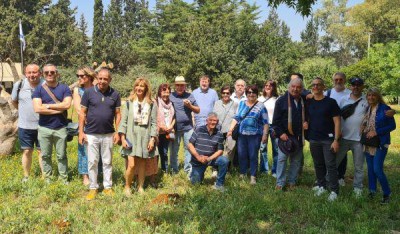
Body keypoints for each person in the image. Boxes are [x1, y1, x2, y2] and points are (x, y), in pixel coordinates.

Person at [79, 68, 121, 200]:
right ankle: (93, 187)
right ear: (97, 78)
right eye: (100, 78)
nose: (102, 81)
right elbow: (82, 113)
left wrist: (117, 132)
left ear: (110, 80)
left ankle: (108, 187)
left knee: (108, 161)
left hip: (108, 134)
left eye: (106, 79)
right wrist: (81, 132)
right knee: (92, 161)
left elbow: (118, 115)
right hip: (91, 133)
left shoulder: (115, 94)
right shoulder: (88, 92)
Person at [32, 64, 72, 184]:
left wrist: (47, 106)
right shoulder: (38, 89)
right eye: (47, 72)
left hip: (61, 128)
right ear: (43, 74)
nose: (49, 74)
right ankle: (48, 179)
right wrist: (58, 109)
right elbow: (38, 109)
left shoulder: (64, 88)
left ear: (57, 73)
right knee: (45, 155)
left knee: (62, 156)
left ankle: (63, 178)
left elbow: (67, 105)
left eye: (52, 72)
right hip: (44, 128)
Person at [119, 78, 159, 195]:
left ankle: (140, 187)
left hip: (145, 137)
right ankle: (127, 186)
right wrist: (122, 138)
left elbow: (153, 123)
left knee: (142, 164)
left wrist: (152, 139)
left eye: (142, 86)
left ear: (146, 88)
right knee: (131, 164)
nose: (139, 88)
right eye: (137, 86)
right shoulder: (128, 103)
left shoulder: (151, 104)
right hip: (131, 137)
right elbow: (123, 122)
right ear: (134, 87)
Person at [305, 78, 341, 201]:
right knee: (318, 164)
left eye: (318, 85)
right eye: (313, 85)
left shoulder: (331, 102)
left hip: (328, 139)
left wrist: (336, 140)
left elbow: (337, 122)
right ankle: (321, 186)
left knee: (330, 165)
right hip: (314, 138)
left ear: (323, 87)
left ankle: (334, 191)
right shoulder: (309, 102)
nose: (315, 87)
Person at [228, 85, 269, 185]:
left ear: (257, 94)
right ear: (246, 94)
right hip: (242, 134)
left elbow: (266, 122)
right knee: (242, 154)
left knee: (253, 155)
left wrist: (265, 135)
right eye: (249, 92)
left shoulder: (261, 106)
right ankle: (242, 173)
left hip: (255, 135)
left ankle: (253, 176)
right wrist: (230, 129)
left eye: (253, 92)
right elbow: (236, 117)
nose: (251, 94)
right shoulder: (242, 103)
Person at [362, 88, 396, 204]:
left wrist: (377, 131)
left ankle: (387, 193)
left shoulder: (384, 109)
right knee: (370, 169)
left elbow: (392, 126)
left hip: (381, 143)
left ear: (378, 96)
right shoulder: (368, 108)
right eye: (369, 95)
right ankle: (372, 191)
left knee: (377, 169)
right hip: (369, 143)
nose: (371, 97)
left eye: (374, 95)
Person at [336, 77, 369, 197]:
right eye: (353, 85)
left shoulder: (367, 99)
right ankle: (330, 183)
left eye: (358, 85)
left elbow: (378, 109)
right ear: (350, 86)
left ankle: (358, 187)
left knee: (359, 166)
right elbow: (336, 117)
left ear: (362, 86)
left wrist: (389, 112)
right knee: (335, 162)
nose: (356, 87)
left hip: (359, 139)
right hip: (343, 137)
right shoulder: (343, 99)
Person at [11, 64, 44, 182]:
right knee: (26, 151)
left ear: (39, 73)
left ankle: (44, 176)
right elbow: (14, 101)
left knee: (42, 152)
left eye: (34, 72)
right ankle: (26, 176)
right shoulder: (18, 85)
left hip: (43, 126)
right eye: (29, 72)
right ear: (26, 73)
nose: (32, 75)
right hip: (25, 126)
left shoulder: (45, 85)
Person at [272, 78, 305, 190]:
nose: (295, 89)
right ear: (289, 87)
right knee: (282, 160)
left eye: (298, 87)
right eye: (293, 87)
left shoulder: (303, 100)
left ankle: (292, 181)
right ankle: (280, 183)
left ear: (301, 89)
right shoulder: (281, 101)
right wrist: (281, 134)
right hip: (285, 137)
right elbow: (275, 122)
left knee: (296, 161)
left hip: (299, 136)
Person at [189, 112, 229, 191]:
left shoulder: (219, 134)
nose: (213, 122)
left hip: (211, 159)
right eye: (211, 120)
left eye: (215, 121)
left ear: (217, 122)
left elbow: (220, 150)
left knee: (224, 160)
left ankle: (219, 185)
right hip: (198, 159)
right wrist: (198, 157)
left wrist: (209, 158)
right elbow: (190, 145)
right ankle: (194, 173)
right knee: (195, 183)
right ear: (207, 121)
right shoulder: (199, 129)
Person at [324, 72, 351, 186]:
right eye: (336, 79)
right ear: (333, 80)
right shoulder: (328, 93)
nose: (338, 81)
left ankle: (340, 176)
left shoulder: (350, 93)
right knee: (330, 153)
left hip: (346, 129)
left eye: (341, 79)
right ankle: (327, 175)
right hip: (330, 129)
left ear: (344, 80)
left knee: (342, 154)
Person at [169, 76, 200, 176]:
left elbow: (198, 110)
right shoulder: (171, 96)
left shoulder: (189, 96)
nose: (180, 87)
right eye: (178, 85)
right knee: (174, 149)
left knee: (189, 149)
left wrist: (190, 106)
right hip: (175, 128)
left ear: (185, 86)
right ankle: (174, 170)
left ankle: (188, 170)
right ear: (175, 86)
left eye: (182, 85)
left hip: (188, 128)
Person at [73, 66, 96, 186]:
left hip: (97, 124)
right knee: (83, 149)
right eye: (78, 76)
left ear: (90, 76)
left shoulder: (97, 89)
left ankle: (97, 174)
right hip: (85, 124)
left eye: (82, 76)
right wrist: (86, 118)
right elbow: (78, 108)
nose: (79, 78)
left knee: (96, 149)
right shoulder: (78, 90)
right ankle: (85, 176)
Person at [258, 80, 279, 177]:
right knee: (263, 149)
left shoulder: (277, 99)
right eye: (266, 85)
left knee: (276, 149)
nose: (267, 87)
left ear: (274, 87)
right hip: (263, 126)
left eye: (270, 85)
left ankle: (275, 171)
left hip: (274, 126)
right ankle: (264, 170)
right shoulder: (260, 99)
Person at [213, 85, 238, 161]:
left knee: (229, 150)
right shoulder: (217, 103)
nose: (225, 95)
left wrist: (231, 130)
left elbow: (236, 118)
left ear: (230, 94)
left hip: (230, 132)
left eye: (228, 93)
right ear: (221, 93)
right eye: (224, 93)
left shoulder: (235, 104)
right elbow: (214, 117)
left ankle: (227, 168)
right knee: (217, 150)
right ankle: (216, 168)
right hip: (218, 131)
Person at [156, 83, 175, 172]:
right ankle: (154, 171)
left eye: (168, 92)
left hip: (167, 132)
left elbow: (174, 117)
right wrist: (160, 126)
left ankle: (164, 170)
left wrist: (171, 126)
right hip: (157, 132)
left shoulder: (171, 104)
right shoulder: (155, 102)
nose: (166, 94)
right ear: (160, 92)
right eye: (164, 92)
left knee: (164, 152)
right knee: (155, 153)